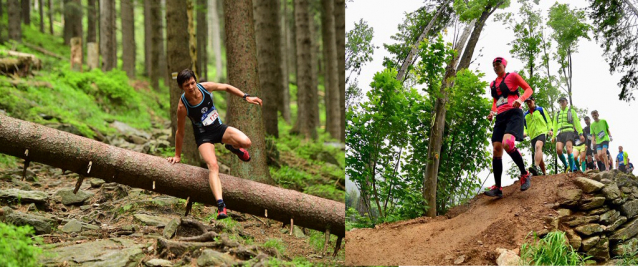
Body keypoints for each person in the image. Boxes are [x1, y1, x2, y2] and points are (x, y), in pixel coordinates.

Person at [166, 69, 263, 219]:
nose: (191, 87)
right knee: (213, 166)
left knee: (247, 142)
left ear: (195, 81)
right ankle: (221, 206)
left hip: (219, 129)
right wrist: (177, 155)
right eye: (187, 85)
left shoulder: (205, 87)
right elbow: (180, 132)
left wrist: (245, 96)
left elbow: (226, 87)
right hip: (204, 137)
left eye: (192, 83)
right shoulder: (182, 106)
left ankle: (233, 147)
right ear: (181, 87)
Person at [485, 57, 533, 198]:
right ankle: (498, 188)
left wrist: (520, 99)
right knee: (496, 149)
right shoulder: (492, 84)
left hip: (513, 113)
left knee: (507, 143)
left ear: (504, 65)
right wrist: (492, 112)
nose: (495, 66)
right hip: (500, 117)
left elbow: (528, 89)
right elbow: (495, 100)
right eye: (493, 64)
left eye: (498, 63)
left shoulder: (512, 76)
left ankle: (524, 174)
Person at [551, 97, 585, 173]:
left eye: (563, 101)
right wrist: (553, 136)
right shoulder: (557, 113)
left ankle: (572, 169)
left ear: (566, 102)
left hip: (569, 131)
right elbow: (555, 125)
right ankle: (567, 165)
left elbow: (577, 122)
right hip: (560, 133)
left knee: (569, 150)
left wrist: (580, 133)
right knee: (559, 150)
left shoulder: (571, 111)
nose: (562, 103)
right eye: (560, 102)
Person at [523, 96, 552, 176]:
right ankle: (544, 173)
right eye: (527, 102)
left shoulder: (540, 110)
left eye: (530, 101)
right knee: (539, 156)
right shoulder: (525, 115)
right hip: (532, 136)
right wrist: (524, 133)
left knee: (538, 146)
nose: (529, 103)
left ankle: (535, 167)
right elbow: (524, 127)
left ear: (533, 101)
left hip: (542, 132)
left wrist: (550, 129)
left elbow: (548, 121)